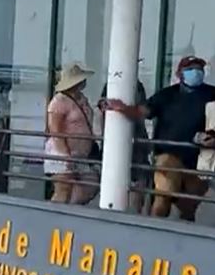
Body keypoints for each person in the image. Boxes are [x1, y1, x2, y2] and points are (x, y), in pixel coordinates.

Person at [106, 56, 215, 221]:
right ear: (180, 73)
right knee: (163, 196)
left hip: (200, 161)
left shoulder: (212, 94)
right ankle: (153, 231)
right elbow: (143, 111)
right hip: (168, 155)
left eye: (199, 69)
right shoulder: (168, 94)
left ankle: (184, 237)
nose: (196, 72)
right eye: (190, 69)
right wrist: (122, 108)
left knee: (189, 205)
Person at [45, 64, 99, 205]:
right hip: (63, 152)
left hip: (80, 154)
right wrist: (65, 155)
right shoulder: (59, 101)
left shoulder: (82, 99)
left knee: (90, 184)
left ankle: (69, 211)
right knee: (63, 188)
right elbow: (55, 129)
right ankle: (53, 217)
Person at [98, 80, 149, 213]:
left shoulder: (136, 86)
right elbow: (103, 112)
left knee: (138, 182)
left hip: (137, 142)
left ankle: (134, 213)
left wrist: (123, 108)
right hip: (119, 142)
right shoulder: (111, 86)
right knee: (118, 181)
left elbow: (143, 112)